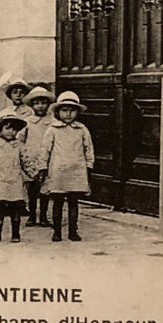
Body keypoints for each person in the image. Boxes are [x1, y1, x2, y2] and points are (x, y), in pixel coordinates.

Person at [37, 91, 95, 242]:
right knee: (57, 202)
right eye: (64, 110)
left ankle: (72, 231)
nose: (68, 114)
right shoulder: (52, 129)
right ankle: (57, 231)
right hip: (58, 171)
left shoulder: (82, 129)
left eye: (72, 110)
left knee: (73, 202)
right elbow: (45, 149)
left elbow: (88, 148)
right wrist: (42, 167)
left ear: (77, 112)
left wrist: (89, 165)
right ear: (58, 112)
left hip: (76, 170)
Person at [0, 110, 33, 243]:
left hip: (15, 181)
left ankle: (15, 234)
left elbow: (26, 161)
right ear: (0, 129)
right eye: (7, 128)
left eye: (14, 129)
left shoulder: (19, 145)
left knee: (15, 208)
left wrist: (33, 174)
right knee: (0, 208)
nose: (11, 132)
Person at [20, 85, 55, 227]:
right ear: (32, 105)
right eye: (36, 103)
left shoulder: (52, 122)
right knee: (32, 190)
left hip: (48, 160)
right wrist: (24, 156)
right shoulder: (27, 122)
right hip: (31, 160)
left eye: (43, 102)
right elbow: (20, 139)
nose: (40, 106)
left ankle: (43, 216)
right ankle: (32, 215)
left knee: (45, 189)